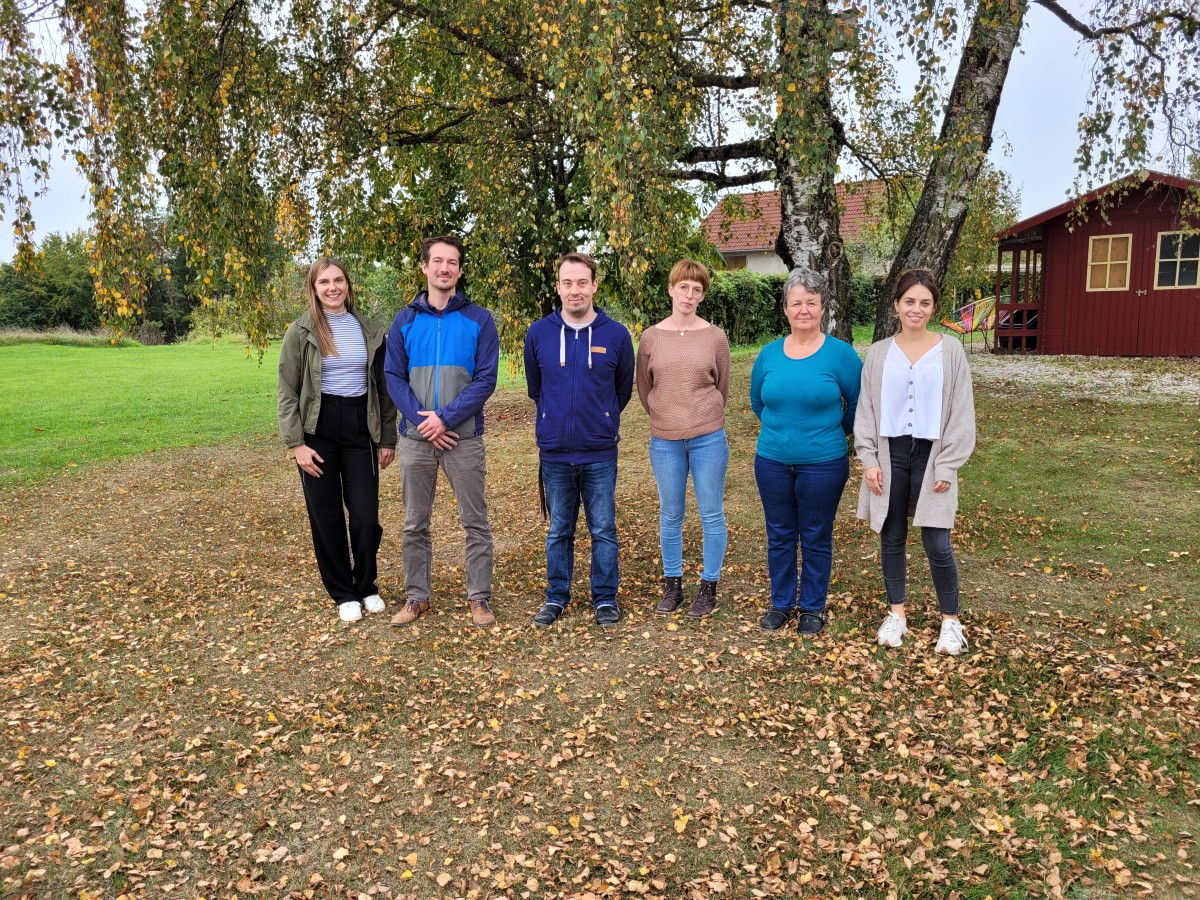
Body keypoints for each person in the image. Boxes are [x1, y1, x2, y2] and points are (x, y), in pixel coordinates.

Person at [854, 269, 976, 655]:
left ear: (933, 308)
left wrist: (948, 463)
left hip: (933, 453)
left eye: (924, 303)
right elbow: (867, 409)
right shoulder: (878, 353)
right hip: (890, 454)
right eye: (909, 301)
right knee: (892, 536)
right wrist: (869, 458)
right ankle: (897, 613)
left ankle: (951, 621)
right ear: (896, 305)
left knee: (937, 540)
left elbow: (961, 410)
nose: (916, 309)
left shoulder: (951, 351)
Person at [384, 235, 500, 628]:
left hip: (463, 438)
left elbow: (486, 380)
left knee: (475, 521)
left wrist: (445, 418)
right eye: (437, 261)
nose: (444, 268)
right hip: (416, 441)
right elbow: (393, 378)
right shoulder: (404, 321)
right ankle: (417, 597)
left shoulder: (480, 320)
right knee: (415, 522)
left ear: (460, 270)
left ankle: (479, 598)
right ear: (424, 267)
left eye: (452, 262)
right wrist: (423, 421)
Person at [277, 256, 397, 623]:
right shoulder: (301, 332)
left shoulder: (371, 330)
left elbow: (383, 388)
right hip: (318, 432)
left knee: (364, 516)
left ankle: (366, 584)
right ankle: (343, 592)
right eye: (324, 282)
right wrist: (297, 444)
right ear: (313, 289)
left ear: (348, 284)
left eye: (338, 280)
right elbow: (287, 390)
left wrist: (388, 437)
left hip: (360, 430)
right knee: (326, 517)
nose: (333, 288)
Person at [524, 252, 635, 628]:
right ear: (558, 287)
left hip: (600, 452)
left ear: (594, 286)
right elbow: (536, 388)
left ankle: (605, 598)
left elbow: (621, 392)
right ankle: (557, 596)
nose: (575, 291)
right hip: (555, 451)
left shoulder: (616, 335)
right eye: (567, 283)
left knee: (603, 529)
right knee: (559, 530)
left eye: (582, 283)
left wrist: (600, 421)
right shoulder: (538, 334)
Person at [750, 267, 862, 636]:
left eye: (811, 303)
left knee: (815, 535)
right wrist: (784, 431)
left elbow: (859, 407)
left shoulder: (841, 355)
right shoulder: (768, 355)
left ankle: (812, 607)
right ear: (785, 308)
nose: (803, 310)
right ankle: (781, 604)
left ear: (822, 307)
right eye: (796, 303)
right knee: (780, 534)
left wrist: (830, 433)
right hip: (772, 462)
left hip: (824, 463)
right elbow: (758, 403)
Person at [636, 259, 731, 618]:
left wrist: (700, 414)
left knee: (711, 513)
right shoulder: (650, 337)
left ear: (702, 295)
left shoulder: (715, 336)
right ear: (671, 289)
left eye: (696, 289)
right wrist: (667, 416)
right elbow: (645, 388)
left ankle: (708, 588)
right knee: (671, 513)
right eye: (683, 287)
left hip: (708, 437)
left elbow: (722, 385)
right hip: (665, 440)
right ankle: (672, 585)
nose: (689, 294)